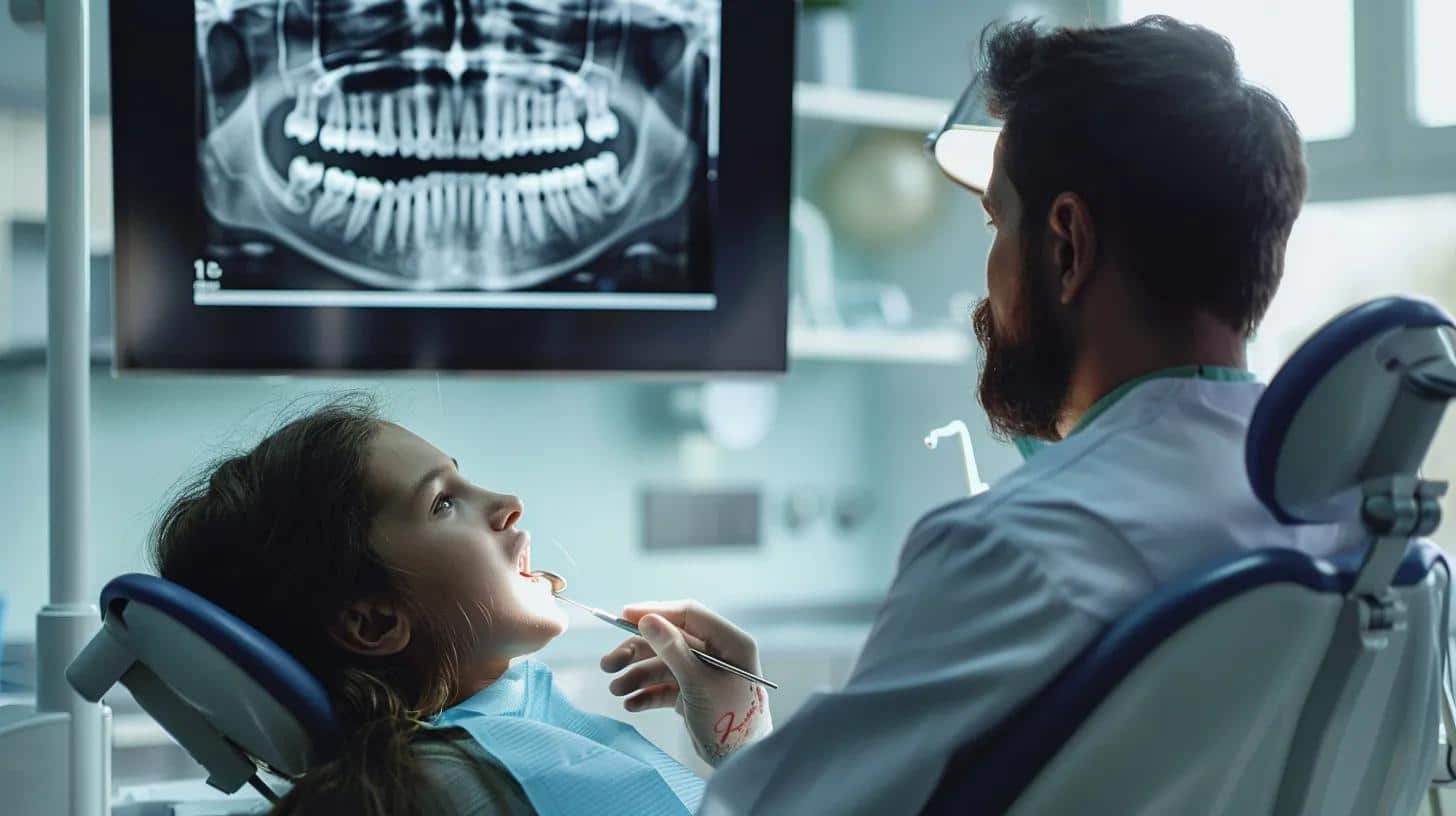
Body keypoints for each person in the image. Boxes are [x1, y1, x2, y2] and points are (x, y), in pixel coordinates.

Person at [601, 15, 1358, 815]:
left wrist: (742, 748)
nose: (986, 276)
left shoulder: (1018, 547)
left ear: (1066, 244)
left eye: (997, 224)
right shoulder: (1352, 529)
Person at [150, 394, 769, 816]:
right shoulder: (487, 783)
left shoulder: (484, 748)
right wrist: (753, 755)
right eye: (443, 503)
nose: (508, 501)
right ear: (375, 622)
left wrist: (744, 754)